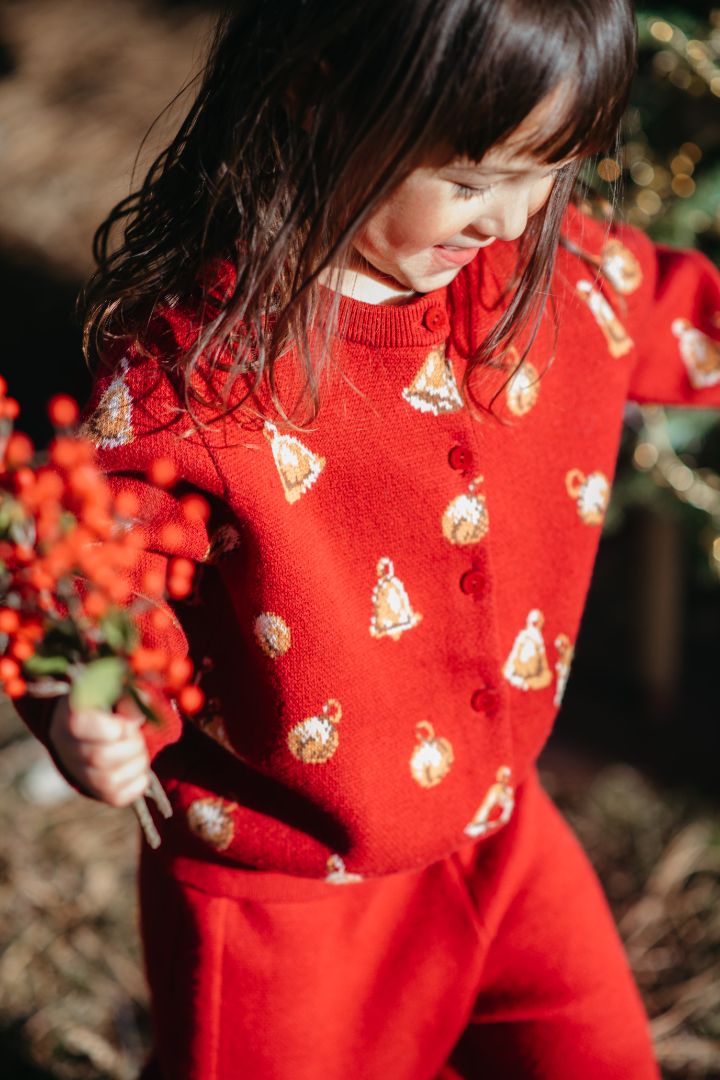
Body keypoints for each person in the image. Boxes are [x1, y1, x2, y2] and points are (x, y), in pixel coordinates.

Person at [15, 1, 720, 1077]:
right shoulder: (196, 382)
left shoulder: (548, 270)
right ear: (315, 95)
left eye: (554, 168)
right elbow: (100, 577)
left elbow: (678, 309)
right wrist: (95, 706)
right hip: (285, 906)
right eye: (475, 179)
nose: (513, 215)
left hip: (504, 837)